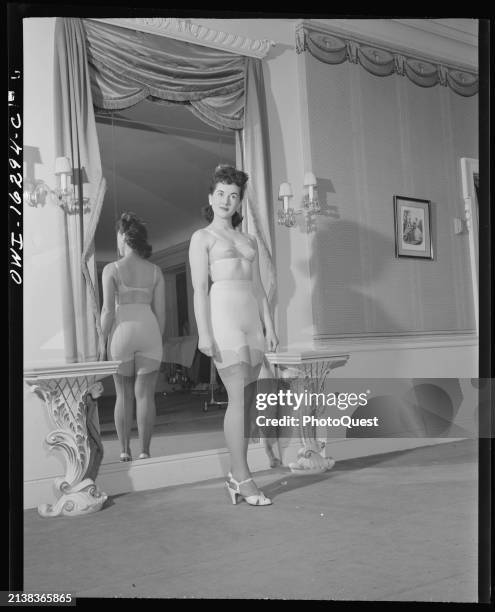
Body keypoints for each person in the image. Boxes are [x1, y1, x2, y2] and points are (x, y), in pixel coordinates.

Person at [189, 165, 278, 506]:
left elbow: (258, 288)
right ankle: (243, 477)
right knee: (238, 399)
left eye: (234, 195)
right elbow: (199, 289)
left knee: (250, 403)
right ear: (211, 198)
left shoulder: (249, 240)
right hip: (223, 316)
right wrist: (203, 333)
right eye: (222, 194)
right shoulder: (203, 238)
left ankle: (235, 475)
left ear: (240, 202)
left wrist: (270, 327)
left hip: (251, 321)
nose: (227, 200)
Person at [100, 212, 165, 462]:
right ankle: (145, 451)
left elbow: (107, 311)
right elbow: (161, 314)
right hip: (148, 329)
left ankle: (125, 449)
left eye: (118, 236)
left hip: (122, 331)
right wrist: (155, 340)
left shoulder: (111, 269)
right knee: (145, 395)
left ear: (124, 237)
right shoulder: (156, 270)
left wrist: (101, 339)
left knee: (123, 394)